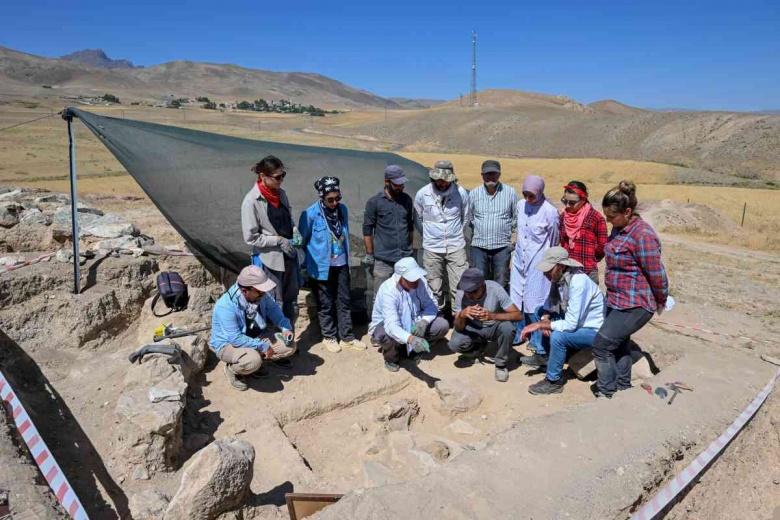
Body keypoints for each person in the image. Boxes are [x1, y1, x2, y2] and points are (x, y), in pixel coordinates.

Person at [593, 181, 669, 398]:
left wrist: (661, 299)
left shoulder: (642, 235)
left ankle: (606, 393)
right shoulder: (619, 229)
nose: (609, 221)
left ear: (627, 211)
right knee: (619, 344)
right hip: (617, 300)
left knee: (601, 345)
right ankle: (622, 386)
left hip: (635, 303)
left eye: (612, 217)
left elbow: (656, 273)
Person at [518, 247, 605, 395]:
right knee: (540, 310)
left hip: (593, 330)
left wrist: (542, 324)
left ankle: (554, 381)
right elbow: (548, 306)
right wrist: (545, 319)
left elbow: (571, 324)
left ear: (561, 265)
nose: (545, 273)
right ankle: (544, 356)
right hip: (577, 323)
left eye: (549, 269)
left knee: (559, 337)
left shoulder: (578, 282)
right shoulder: (560, 278)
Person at [299, 176, 366, 353]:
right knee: (325, 302)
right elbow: (303, 239)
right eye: (330, 199)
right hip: (322, 266)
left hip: (341, 263)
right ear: (321, 197)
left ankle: (347, 337)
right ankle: (329, 336)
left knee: (344, 299)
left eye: (338, 198)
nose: (335, 202)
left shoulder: (342, 210)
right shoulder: (311, 214)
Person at [209, 265, 297, 391]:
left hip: (254, 336)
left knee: (289, 347)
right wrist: (263, 346)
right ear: (245, 290)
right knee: (252, 361)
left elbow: (274, 310)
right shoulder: (226, 306)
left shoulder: (260, 296)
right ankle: (233, 370)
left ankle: (261, 360)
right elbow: (235, 339)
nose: (264, 294)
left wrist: (285, 328)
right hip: (228, 344)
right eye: (260, 291)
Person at [241, 155, 300, 328]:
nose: (281, 180)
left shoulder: (281, 194)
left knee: (292, 302)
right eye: (277, 177)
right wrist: (278, 240)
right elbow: (250, 237)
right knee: (275, 303)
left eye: (283, 176)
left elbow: (288, 219)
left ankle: (290, 340)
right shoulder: (251, 201)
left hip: (289, 256)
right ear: (262, 176)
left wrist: (295, 231)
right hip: (272, 261)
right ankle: (276, 347)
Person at [510, 174, 560, 367]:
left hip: (538, 259)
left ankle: (538, 343)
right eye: (525, 194)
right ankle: (518, 333)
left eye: (532, 195)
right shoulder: (520, 206)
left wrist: (546, 259)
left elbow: (554, 237)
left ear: (539, 192)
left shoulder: (550, 211)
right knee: (516, 294)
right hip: (520, 257)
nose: (528, 198)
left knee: (535, 299)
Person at [369, 257, 450, 372]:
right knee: (385, 334)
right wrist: (411, 338)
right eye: (411, 279)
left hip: (414, 320)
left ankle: (418, 346)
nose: (416, 282)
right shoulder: (389, 291)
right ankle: (391, 358)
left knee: (442, 325)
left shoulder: (421, 282)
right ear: (400, 278)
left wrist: (424, 322)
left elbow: (432, 305)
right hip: (390, 324)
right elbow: (391, 325)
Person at [414, 159, 471, 312]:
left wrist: (456, 233)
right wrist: (428, 235)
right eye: (439, 180)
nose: (442, 183)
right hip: (432, 248)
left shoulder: (461, 193)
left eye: (446, 180)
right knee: (434, 286)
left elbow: (465, 218)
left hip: (456, 246)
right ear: (433, 178)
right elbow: (418, 218)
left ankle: (459, 321)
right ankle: (436, 322)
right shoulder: (422, 194)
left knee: (459, 286)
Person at [448, 268, 523, 382]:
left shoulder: (495, 289)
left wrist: (493, 316)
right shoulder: (461, 293)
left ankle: (501, 364)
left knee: (508, 328)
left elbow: (518, 315)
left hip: (493, 326)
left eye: (473, 291)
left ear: (483, 286)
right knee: (454, 344)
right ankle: (475, 351)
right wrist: (462, 315)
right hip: (472, 328)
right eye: (467, 291)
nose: (469, 295)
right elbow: (458, 327)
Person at [362, 165, 415, 307]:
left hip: (404, 258)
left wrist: (409, 247)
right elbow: (367, 229)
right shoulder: (374, 202)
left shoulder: (407, 200)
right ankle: (378, 326)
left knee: (406, 294)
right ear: (387, 181)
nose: (401, 187)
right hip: (383, 260)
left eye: (402, 183)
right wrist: (369, 253)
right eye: (397, 184)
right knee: (381, 295)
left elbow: (410, 226)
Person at [468, 160, 518, 291]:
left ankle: (499, 309)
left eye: (494, 174)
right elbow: (470, 217)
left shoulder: (510, 193)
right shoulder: (474, 194)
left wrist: (512, 242)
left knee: (501, 280)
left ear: (499, 174)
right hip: (479, 246)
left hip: (502, 246)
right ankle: (481, 309)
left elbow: (515, 218)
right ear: (482, 175)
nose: (491, 177)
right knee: (478, 280)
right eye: (487, 174)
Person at [559, 181, 607, 285]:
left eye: (571, 203)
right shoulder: (563, 217)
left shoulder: (595, 217)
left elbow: (602, 245)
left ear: (583, 199)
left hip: (588, 272)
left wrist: (590, 258)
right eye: (565, 201)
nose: (567, 205)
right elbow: (562, 242)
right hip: (567, 271)